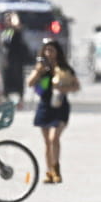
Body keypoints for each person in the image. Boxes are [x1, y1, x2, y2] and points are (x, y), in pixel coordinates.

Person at [26, 39, 78, 184]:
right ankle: (49, 172)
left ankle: (56, 170)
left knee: (54, 138)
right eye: (46, 50)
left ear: (57, 52)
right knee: (47, 143)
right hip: (45, 105)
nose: (49, 53)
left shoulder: (64, 68)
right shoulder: (41, 68)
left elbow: (76, 86)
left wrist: (64, 89)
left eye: (52, 50)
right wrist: (38, 71)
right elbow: (30, 84)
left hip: (60, 105)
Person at [0, 13, 32, 108]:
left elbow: (18, 29)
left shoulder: (17, 31)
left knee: (18, 79)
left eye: (10, 20)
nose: (8, 22)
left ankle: (20, 100)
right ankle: (7, 100)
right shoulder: (5, 32)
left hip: (17, 59)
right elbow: (4, 46)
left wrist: (14, 18)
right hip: (8, 59)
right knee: (7, 80)